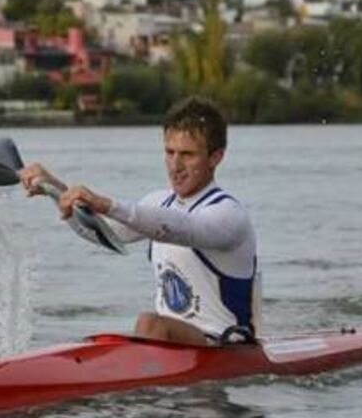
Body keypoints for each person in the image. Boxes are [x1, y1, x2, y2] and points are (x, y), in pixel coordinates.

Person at [19, 96, 259, 346]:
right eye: (170, 152)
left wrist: (107, 204)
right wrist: (57, 190)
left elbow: (181, 228)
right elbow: (102, 232)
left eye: (187, 154)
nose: (175, 165)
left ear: (215, 157)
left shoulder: (229, 215)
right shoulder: (158, 202)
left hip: (225, 345)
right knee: (133, 330)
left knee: (150, 323)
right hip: (173, 342)